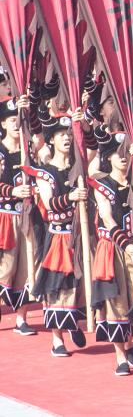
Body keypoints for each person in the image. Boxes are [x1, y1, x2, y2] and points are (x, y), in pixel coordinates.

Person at [29, 111, 88, 357]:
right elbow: (49, 203)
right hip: (58, 237)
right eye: (61, 134)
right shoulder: (46, 172)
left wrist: (81, 122)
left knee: (79, 283)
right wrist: (71, 197)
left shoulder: (78, 167)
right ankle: (57, 339)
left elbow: (94, 149)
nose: (66, 138)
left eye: (68, 134)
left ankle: (72, 321)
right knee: (57, 285)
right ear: (52, 140)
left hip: (81, 234)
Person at [90, 127, 133, 375]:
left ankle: (131, 344)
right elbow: (108, 219)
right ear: (109, 157)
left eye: (126, 152)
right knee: (117, 301)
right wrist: (126, 244)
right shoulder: (102, 186)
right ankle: (120, 355)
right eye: (117, 153)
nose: (122, 157)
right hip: (113, 247)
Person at [0, 96, 36, 334]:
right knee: (5, 267)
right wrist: (12, 191)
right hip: (5, 216)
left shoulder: (27, 149)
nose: (15, 124)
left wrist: (28, 110)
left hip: (27, 217)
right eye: (11, 120)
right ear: (3, 124)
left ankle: (21, 319)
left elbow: (41, 143)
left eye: (18, 119)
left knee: (26, 268)